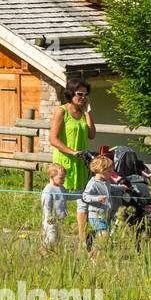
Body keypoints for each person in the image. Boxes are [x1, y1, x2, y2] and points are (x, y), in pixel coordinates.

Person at [49, 79, 97, 241]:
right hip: (64, 162)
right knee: (59, 199)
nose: (83, 97)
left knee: (83, 199)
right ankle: (53, 236)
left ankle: (83, 239)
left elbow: (91, 135)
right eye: (79, 94)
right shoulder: (61, 111)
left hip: (81, 163)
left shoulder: (83, 114)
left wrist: (88, 111)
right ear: (71, 94)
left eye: (85, 95)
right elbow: (53, 139)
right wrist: (72, 152)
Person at [81, 154, 117, 255]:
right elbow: (85, 196)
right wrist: (97, 198)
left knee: (104, 236)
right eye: (109, 171)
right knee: (104, 235)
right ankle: (94, 255)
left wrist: (121, 188)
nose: (111, 173)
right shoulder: (93, 183)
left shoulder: (106, 181)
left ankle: (93, 248)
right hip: (96, 215)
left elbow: (111, 188)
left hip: (106, 214)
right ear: (101, 170)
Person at [41, 163, 68, 248]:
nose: (63, 180)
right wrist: (49, 218)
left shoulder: (61, 188)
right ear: (51, 176)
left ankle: (54, 255)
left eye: (64, 178)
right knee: (50, 239)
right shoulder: (48, 190)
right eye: (61, 178)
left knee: (58, 240)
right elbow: (47, 206)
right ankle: (44, 252)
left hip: (60, 219)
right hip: (50, 221)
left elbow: (67, 196)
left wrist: (82, 195)